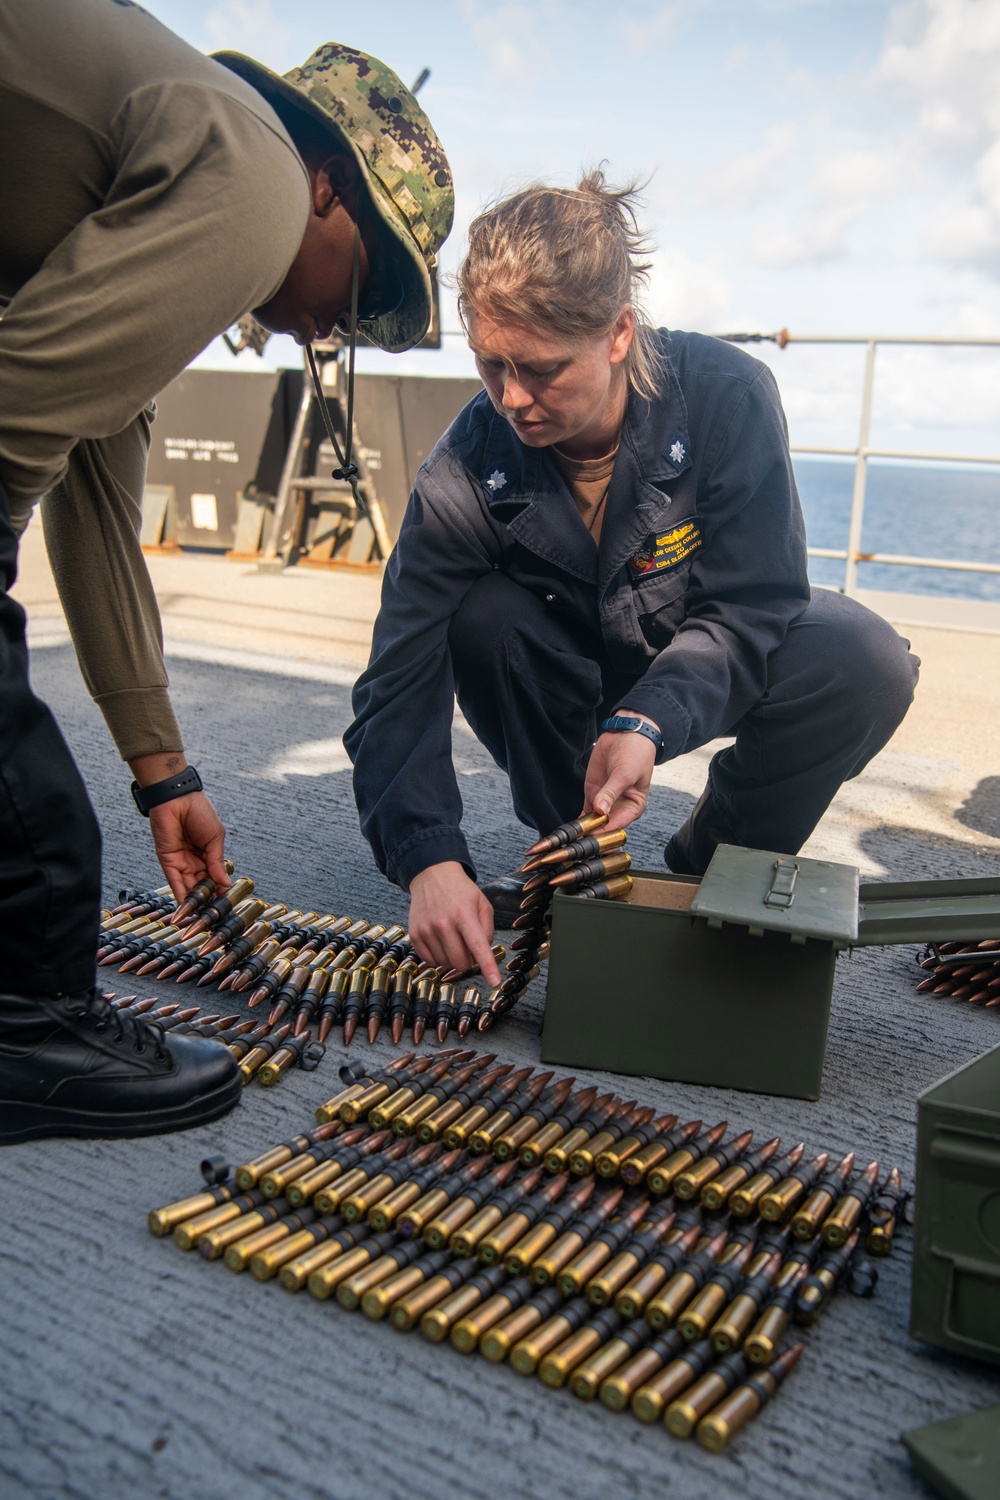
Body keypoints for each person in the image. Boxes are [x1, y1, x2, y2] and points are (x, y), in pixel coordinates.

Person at [0, 0, 453, 1142]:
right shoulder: (251, 175)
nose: (325, 335)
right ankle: (26, 1036)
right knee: (42, 840)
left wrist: (163, 773)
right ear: (325, 185)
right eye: (358, 295)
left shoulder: (157, 164)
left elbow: (94, 507)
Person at [346, 172, 918, 986]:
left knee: (863, 660)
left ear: (618, 334)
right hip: (554, 661)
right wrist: (426, 857)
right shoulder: (466, 466)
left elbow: (751, 605)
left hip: (691, 651)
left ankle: (712, 865)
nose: (510, 399)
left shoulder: (726, 398)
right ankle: (574, 864)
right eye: (488, 365)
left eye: (540, 369)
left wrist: (650, 717)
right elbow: (398, 676)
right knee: (480, 616)